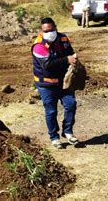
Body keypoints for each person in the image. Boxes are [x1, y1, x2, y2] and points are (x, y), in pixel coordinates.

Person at [31, 17, 79, 149]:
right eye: (46, 31)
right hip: (46, 84)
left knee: (71, 104)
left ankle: (68, 132)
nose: (49, 32)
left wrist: (73, 58)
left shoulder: (63, 38)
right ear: (41, 31)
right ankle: (54, 137)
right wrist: (66, 60)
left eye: (51, 29)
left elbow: (70, 52)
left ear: (55, 28)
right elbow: (48, 65)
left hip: (63, 82)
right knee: (51, 111)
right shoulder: (39, 45)